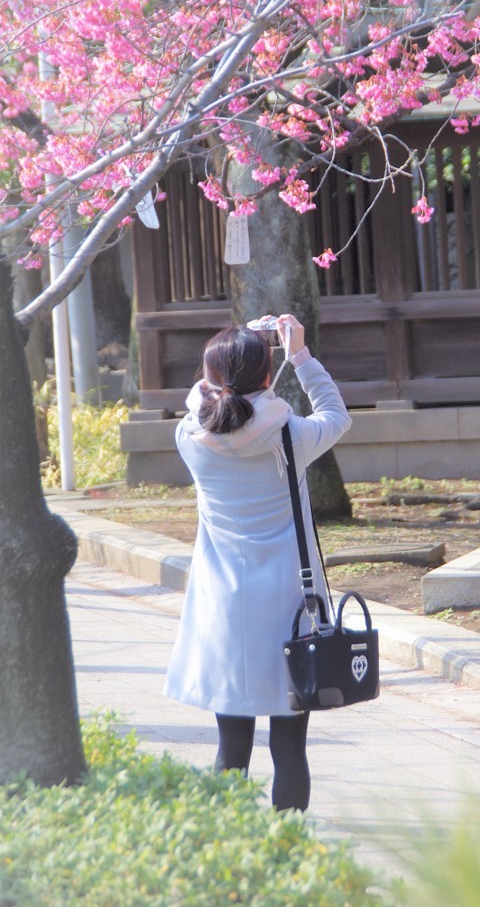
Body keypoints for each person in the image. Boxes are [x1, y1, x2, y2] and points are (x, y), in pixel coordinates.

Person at [164, 313, 351, 811]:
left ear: (208, 380)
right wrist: (299, 354)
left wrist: (235, 360)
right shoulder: (293, 436)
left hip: (223, 609)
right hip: (291, 606)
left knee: (231, 750)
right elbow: (336, 412)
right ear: (267, 379)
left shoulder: (189, 438)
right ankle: (287, 853)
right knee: (290, 749)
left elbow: (205, 399)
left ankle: (234, 852)